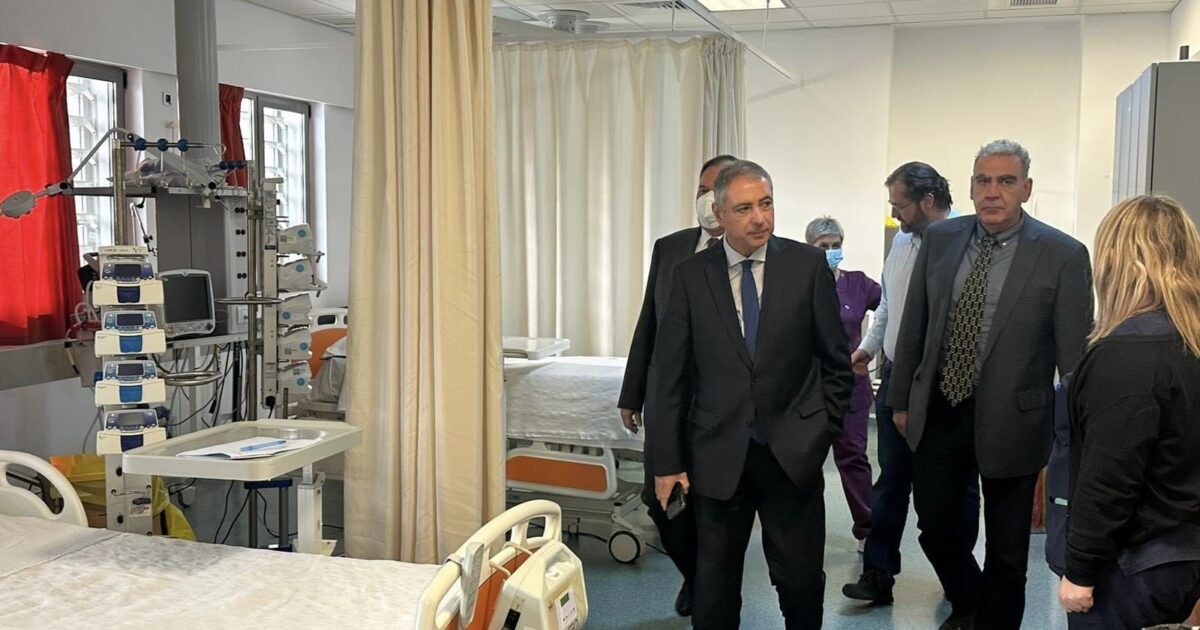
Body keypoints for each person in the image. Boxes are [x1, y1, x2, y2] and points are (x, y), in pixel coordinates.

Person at [889, 139, 1093, 630]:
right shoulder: (941, 240)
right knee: (935, 528)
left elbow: (1074, 357)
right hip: (941, 410)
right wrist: (901, 401)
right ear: (971, 186)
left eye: (1005, 181)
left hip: (1015, 420)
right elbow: (914, 323)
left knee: (1007, 550)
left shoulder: (1063, 255)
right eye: (983, 180)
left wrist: (1075, 434)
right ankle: (969, 603)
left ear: (1026, 188)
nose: (993, 192)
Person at [646, 160, 854, 629]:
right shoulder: (690, 275)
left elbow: (835, 363)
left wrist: (820, 430)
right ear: (719, 213)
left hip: (792, 454)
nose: (759, 218)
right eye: (744, 209)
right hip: (716, 453)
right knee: (715, 590)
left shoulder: (806, 267)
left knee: (800, 582)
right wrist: (667, 462)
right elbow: (669, 375)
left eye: (766, 203)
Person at [1057, 195, 1200, 628]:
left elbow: (1110, 476)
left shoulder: (1125, 357)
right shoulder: (1187, 344)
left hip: (1133, 565)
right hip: (1183, 554)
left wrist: (1080, 570)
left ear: (1116, 260)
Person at [843, 162, 981, 604]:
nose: (894, 215)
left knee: (954, 487)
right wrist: (868, 348)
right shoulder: (902, 243)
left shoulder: (969, 241)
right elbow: (888, 305)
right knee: (891, 482)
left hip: (944, 386)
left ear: (928, 200)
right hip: (896, 376)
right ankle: (878, 572)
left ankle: (959, 577)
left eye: (899, 206)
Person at [617, 153, 737, 617]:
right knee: (660, 501)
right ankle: (696, 575)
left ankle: (711, 590)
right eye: (701, 190)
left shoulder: (749, 252)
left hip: (723, 410)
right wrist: (632, 392)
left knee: (712, 506)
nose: (707, 200)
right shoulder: (671, 248)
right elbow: (649, 320)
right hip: (670, 402)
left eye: (716, 190)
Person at [805, 216, 879, 551]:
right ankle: (803, 533)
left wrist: (871, 350)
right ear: (810, 249)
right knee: (805, 461)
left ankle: (867, 527)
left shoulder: (858, 284)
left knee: (853, 457)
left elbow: (892, 311)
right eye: (824, 246)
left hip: (852, 386)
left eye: (836, 245)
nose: (832, 251)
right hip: (811, 387)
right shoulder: (800, 286)